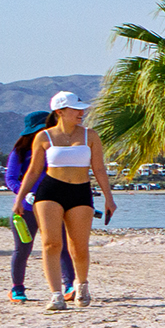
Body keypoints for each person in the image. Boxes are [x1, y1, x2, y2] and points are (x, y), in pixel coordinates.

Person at [17, 93, 114, 310]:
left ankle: (82, 285)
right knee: (51, 243)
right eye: (75, 109)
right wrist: (19, 198)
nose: (81, 113)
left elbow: (99, 169)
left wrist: (109, 198)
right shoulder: (44, 137)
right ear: (60, 112)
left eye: (81, 109)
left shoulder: (91, 136)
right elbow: (33, 171)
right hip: (50, 191)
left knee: (78, 247)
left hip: (80, 192)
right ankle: (55, 294)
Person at [3, 111, 73, 304]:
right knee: (23, 249)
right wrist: (25, 194)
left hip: (53, 205)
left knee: (60, 246)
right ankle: (17, 288)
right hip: (26, 208)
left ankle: (70, 285)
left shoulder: (57, 151)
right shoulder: (19, 153)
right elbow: (10, 179)